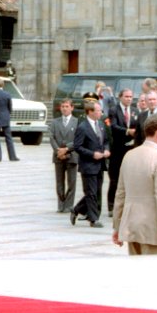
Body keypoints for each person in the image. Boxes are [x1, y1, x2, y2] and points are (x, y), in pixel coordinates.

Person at [112, 113, 157, 255]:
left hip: (132, 227)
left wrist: (117, 227)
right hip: (154, 230)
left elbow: (120, 195)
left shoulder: (129, 155)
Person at [70, 98, 109, 228]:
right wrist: (92, 154)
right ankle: (93, 219)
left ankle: (76, 209)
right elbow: (77, 146)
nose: (101, 113)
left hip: (100, 164)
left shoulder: (101, 125)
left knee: (96, 192)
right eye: (98, 110)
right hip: (88, 165)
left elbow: (106, 141)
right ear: (90, 112)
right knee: (91, 193)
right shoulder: (83, 127)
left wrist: (107, 150)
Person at [107, 88, 137, 214]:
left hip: (131, 148)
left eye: (130, 97)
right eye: (126, 96)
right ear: (120, 97)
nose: (129, 99)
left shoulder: (135, 111)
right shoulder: (114, 110)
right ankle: (111, 205)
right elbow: (113, 126)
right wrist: (127, 131)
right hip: (117, 149)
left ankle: (127, 204)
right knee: (115, 178)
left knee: (130, 177)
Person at [48, 98, 78, 213]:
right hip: (58, 156)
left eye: (67, 106)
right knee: (59, 182)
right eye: (63, 107)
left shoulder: (76, 122)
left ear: (72, 108)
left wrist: (66, 150)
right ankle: (61, 204)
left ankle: (69, 205)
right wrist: (58, 151)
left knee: (72, 182)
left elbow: (78, 139)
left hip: (72, 155)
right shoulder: (55, 122)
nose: (64, 109)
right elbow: (51, 138)